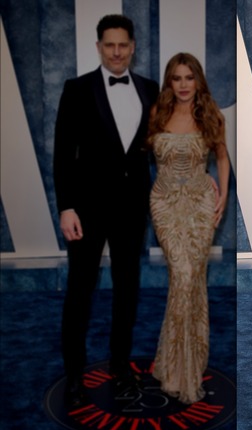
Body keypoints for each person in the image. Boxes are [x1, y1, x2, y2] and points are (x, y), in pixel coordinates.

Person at [53, 14, 159, 407]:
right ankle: (75, 375)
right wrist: (66, 206)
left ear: (132, 47)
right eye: (109, 45)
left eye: (123, 45)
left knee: (127, 291)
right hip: (86, 210)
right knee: (80, 292)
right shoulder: (77, 89)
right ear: (99, 47)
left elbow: (160, 145)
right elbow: (63, 154)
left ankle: (119, 364)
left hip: (132, 210)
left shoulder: (150, 89)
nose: (117, 52)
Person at [146, 53, 229, 404]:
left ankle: (181, 365)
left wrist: (222, 194)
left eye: (189, 78)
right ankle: (175, 362)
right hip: (164, 203)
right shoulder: (157, 113)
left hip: (199, 204)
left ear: (198, 81)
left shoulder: (211, 115)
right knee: (181, 274)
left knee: (191, 277)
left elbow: (222, 158)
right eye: (177, 78)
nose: (183, 85)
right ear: (170, 82)